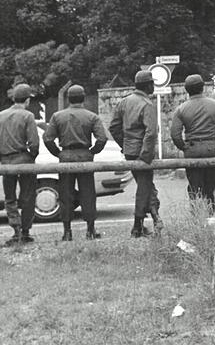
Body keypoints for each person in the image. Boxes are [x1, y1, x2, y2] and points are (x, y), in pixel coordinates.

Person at [43, 84, 108, 241]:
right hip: (85, 156)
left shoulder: (57, 117)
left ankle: (67, 231)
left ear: (68, 99)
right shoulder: (92, 117)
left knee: (66, 194)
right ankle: (90, 230)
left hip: (65, 156)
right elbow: (102, 138)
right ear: (83, 98)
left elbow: (47, 138)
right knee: (88, 194)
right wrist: (93, 151)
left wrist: (58, 153)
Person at [109, 70, 162, 238]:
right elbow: (151, 132)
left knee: (147, 187)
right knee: (144, 188)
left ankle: (155, 219)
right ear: (147, 85)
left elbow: (114, 128)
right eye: (152, 83)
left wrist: (125, 146)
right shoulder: (147, 104)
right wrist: (145, 155)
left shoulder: (123, 103)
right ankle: (138, 226)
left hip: (130, 153)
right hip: (142, 154)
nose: (153, 86)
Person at [170, 74, 215, 213]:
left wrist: (183, 147)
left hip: (192, 149)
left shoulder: (181, 109)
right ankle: (211, 212)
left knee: (194, 184)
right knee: (211, 184)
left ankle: (196, 213)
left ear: (186, 90)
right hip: (212, 148)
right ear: (203, 87)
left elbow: (175, 134)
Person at [0, 84, 39, 245]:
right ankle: (25, 230)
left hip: (6, 161)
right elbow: (34, 142)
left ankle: (15, 230)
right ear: (28, 100)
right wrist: (31, 156)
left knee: (10, 197)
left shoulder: (1, 115)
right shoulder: (28, 116)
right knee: (28, 196)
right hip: (24, 159)